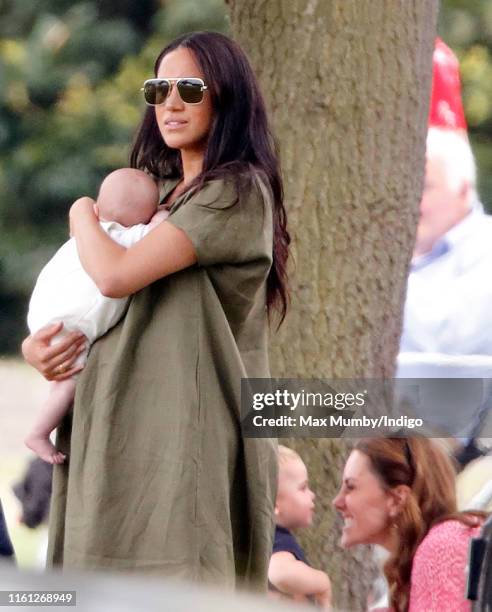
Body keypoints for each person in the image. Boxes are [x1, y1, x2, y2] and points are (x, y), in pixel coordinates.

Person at [21, 31, 289, 589]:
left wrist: (79, 214)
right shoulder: (153, 194)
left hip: (182, 438)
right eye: (159, 88)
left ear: (226, 97)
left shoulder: (234, 194)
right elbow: (84, 294)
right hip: (107, 426)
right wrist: (38, 348)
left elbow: (115, 277)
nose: (170, 102)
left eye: (190, 88)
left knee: (176, 582)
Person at [25, 168, 165, 464]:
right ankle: (38, 432)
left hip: (44, 312)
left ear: (98, 208)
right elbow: (159, 233)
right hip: (72, 322)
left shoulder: (85, 234)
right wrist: (160, 216)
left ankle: (49, 417)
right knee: (68, 381)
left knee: (60, 380)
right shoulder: (128, 237)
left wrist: (80, 210)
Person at [333, 437, 486, 611]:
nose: (337, 502)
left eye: (351, 487)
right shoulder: (444, 541)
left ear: (397, 499)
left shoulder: (442, 546)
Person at [268, 445, 331, 609]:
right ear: (274, 503)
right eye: (303, 488)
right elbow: (279, 573)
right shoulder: (278, 539)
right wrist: (322, 582)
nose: (312, 494)